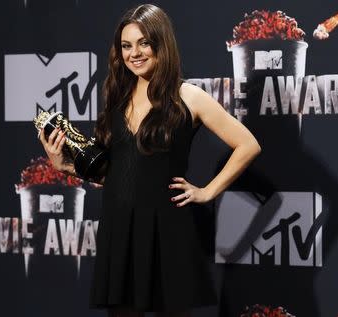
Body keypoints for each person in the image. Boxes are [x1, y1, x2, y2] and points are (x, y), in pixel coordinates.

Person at [39, 4, 261, 317]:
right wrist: (65, 167)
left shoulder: (188, 96)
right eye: (126, 46)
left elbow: (248, 144)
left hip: (167, 231)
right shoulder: (117, 98)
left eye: (144, 43)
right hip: (120, 232)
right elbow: (119, 174)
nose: (135, 53)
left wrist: (208, 191)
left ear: (161, 44)